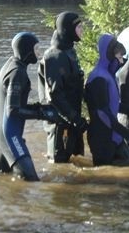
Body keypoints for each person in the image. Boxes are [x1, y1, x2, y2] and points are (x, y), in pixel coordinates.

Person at [0, 32, 60, 181]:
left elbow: (12, 106)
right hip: (9, 136)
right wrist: (41, 113)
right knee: (32, 181)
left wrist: (38, 108)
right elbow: (12, 110)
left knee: (1, 181)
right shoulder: (17, 73)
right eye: (36, 49)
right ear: (26, 51)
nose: (39, 53)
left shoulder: (10, 64)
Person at [84, 34, 129, 166]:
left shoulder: (109, 75)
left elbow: (112, 104)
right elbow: (102, 112)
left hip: (115, 136)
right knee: (107, 181)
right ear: (109, 55)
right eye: (119, 57)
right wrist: (127, 133)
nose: (121, 62)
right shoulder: (98, 78)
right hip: (102, 138)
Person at [37, 11, 88, 163]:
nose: (82, 30)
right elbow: (54, 95)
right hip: (59, 123)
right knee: (59, 165)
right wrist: (75, 119)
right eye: (79, 27)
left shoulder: (69, 50)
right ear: (67, 30)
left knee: (73, 160)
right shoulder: (54, 56)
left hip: (71, 118)